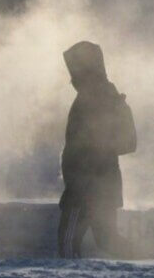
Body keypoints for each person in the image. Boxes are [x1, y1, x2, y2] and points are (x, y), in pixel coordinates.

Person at [58, 41, 136, 258]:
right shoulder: (108, 95)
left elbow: (85, 143)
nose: (70, 76)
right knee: (108, 240)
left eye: (73, 68)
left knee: (67, 241)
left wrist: (79, 178)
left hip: (84, 186)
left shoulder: (91, 98)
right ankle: (143, 263)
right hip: (105, 184)